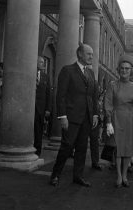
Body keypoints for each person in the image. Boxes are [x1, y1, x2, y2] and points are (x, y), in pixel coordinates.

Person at [49, 43, 98, 187]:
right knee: (66, 147)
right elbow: (61, 95)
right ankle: (55, 175)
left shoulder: (90, 73)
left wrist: (95, 114)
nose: (91, 57)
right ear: (80, 54)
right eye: (89, 54)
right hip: (71, 118)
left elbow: (93, 97)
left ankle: (78, 176)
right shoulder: (68, 70)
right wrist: (62, 116)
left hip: (87, 118)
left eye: (92, 54)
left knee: (82, 148)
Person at [104, 54, 133, 188]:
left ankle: (125, 175)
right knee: (118, 148)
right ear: (118, 69)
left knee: (128, 149)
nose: (124, 71)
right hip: (116, 118)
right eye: (122, 68)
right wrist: (108, 122)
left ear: (131, 70)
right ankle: (118, 176)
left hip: (130, 120)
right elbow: (108, 103)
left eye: (127, 69)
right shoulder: (112, 85)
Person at [34, 56, 51, 156]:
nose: (43, 64)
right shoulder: (30, 73)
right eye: (40, 62)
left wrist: (48, 109)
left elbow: (48, 93)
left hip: (41, 108)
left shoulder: (46, 76)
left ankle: (37, 151)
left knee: (38, 131)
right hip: (29, 107)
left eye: (43, 62)